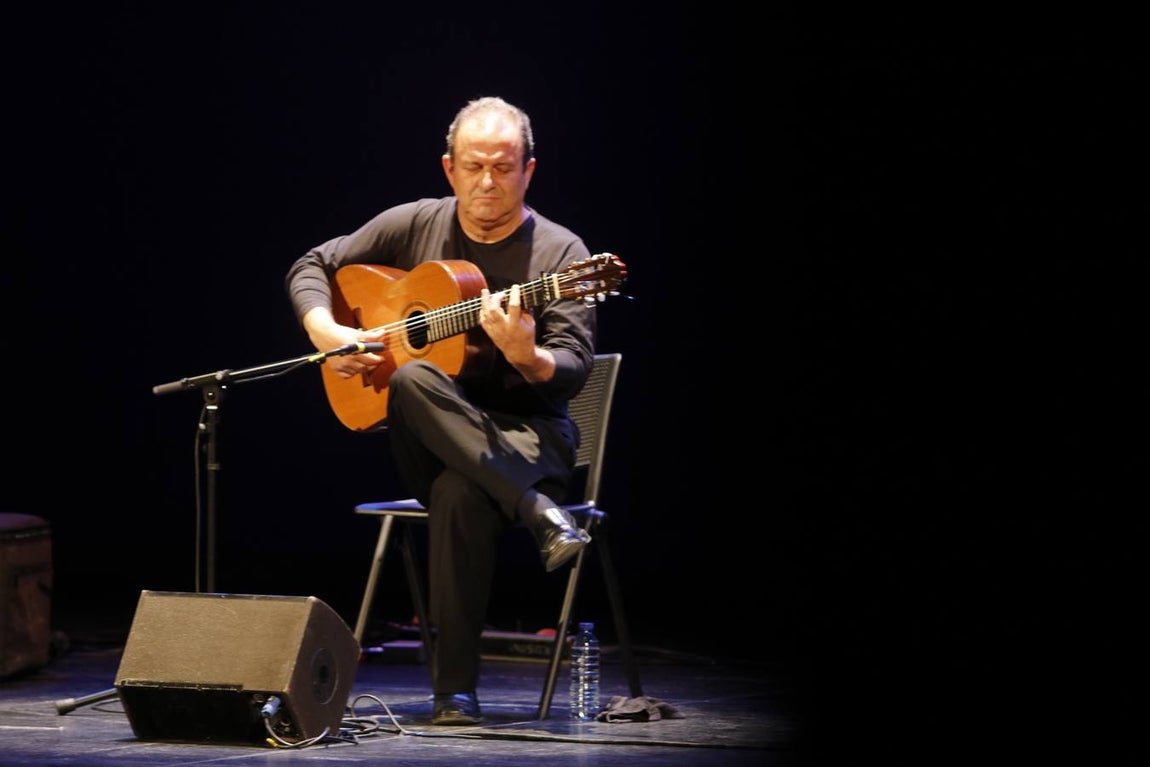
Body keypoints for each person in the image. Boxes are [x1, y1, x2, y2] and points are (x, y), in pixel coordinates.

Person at [285, 96, 599, 725]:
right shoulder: (416, 223)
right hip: (428, 439)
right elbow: (313, 265)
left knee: (460, 491)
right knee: (416, 379)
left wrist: (529, 357)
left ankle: (453, 695)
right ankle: (538, 513)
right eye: (474, 166)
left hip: (530, 440)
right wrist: (328, 333)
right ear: (449, 168)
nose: (488, 181)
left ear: (528, 172)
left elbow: (573, 369)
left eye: (503, 168)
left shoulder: (563, 256)